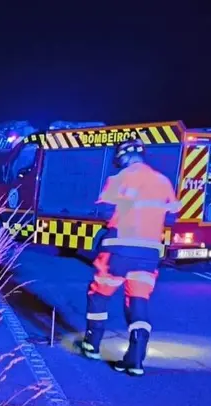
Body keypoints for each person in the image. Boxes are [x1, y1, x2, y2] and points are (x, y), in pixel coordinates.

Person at [77, 138, 180, 376]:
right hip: (149, 254)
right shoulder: (163, 181)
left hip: (118, 251)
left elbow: (104, 210)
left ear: (122, 157)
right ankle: (135, 361)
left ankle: (92, 344)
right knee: (138, 301)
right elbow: (172, 216)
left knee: (99, 295)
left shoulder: (118, 179)